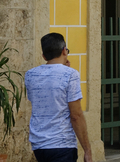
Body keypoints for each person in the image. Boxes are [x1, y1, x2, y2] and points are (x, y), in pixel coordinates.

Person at [25, 32, 93, 162]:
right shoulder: (70, 75)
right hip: (62, 144)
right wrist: (87, 150)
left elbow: (44, 99)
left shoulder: (30, 75)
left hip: (39, 145)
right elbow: (76, 115)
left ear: (44, 56)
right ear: (64, 51)